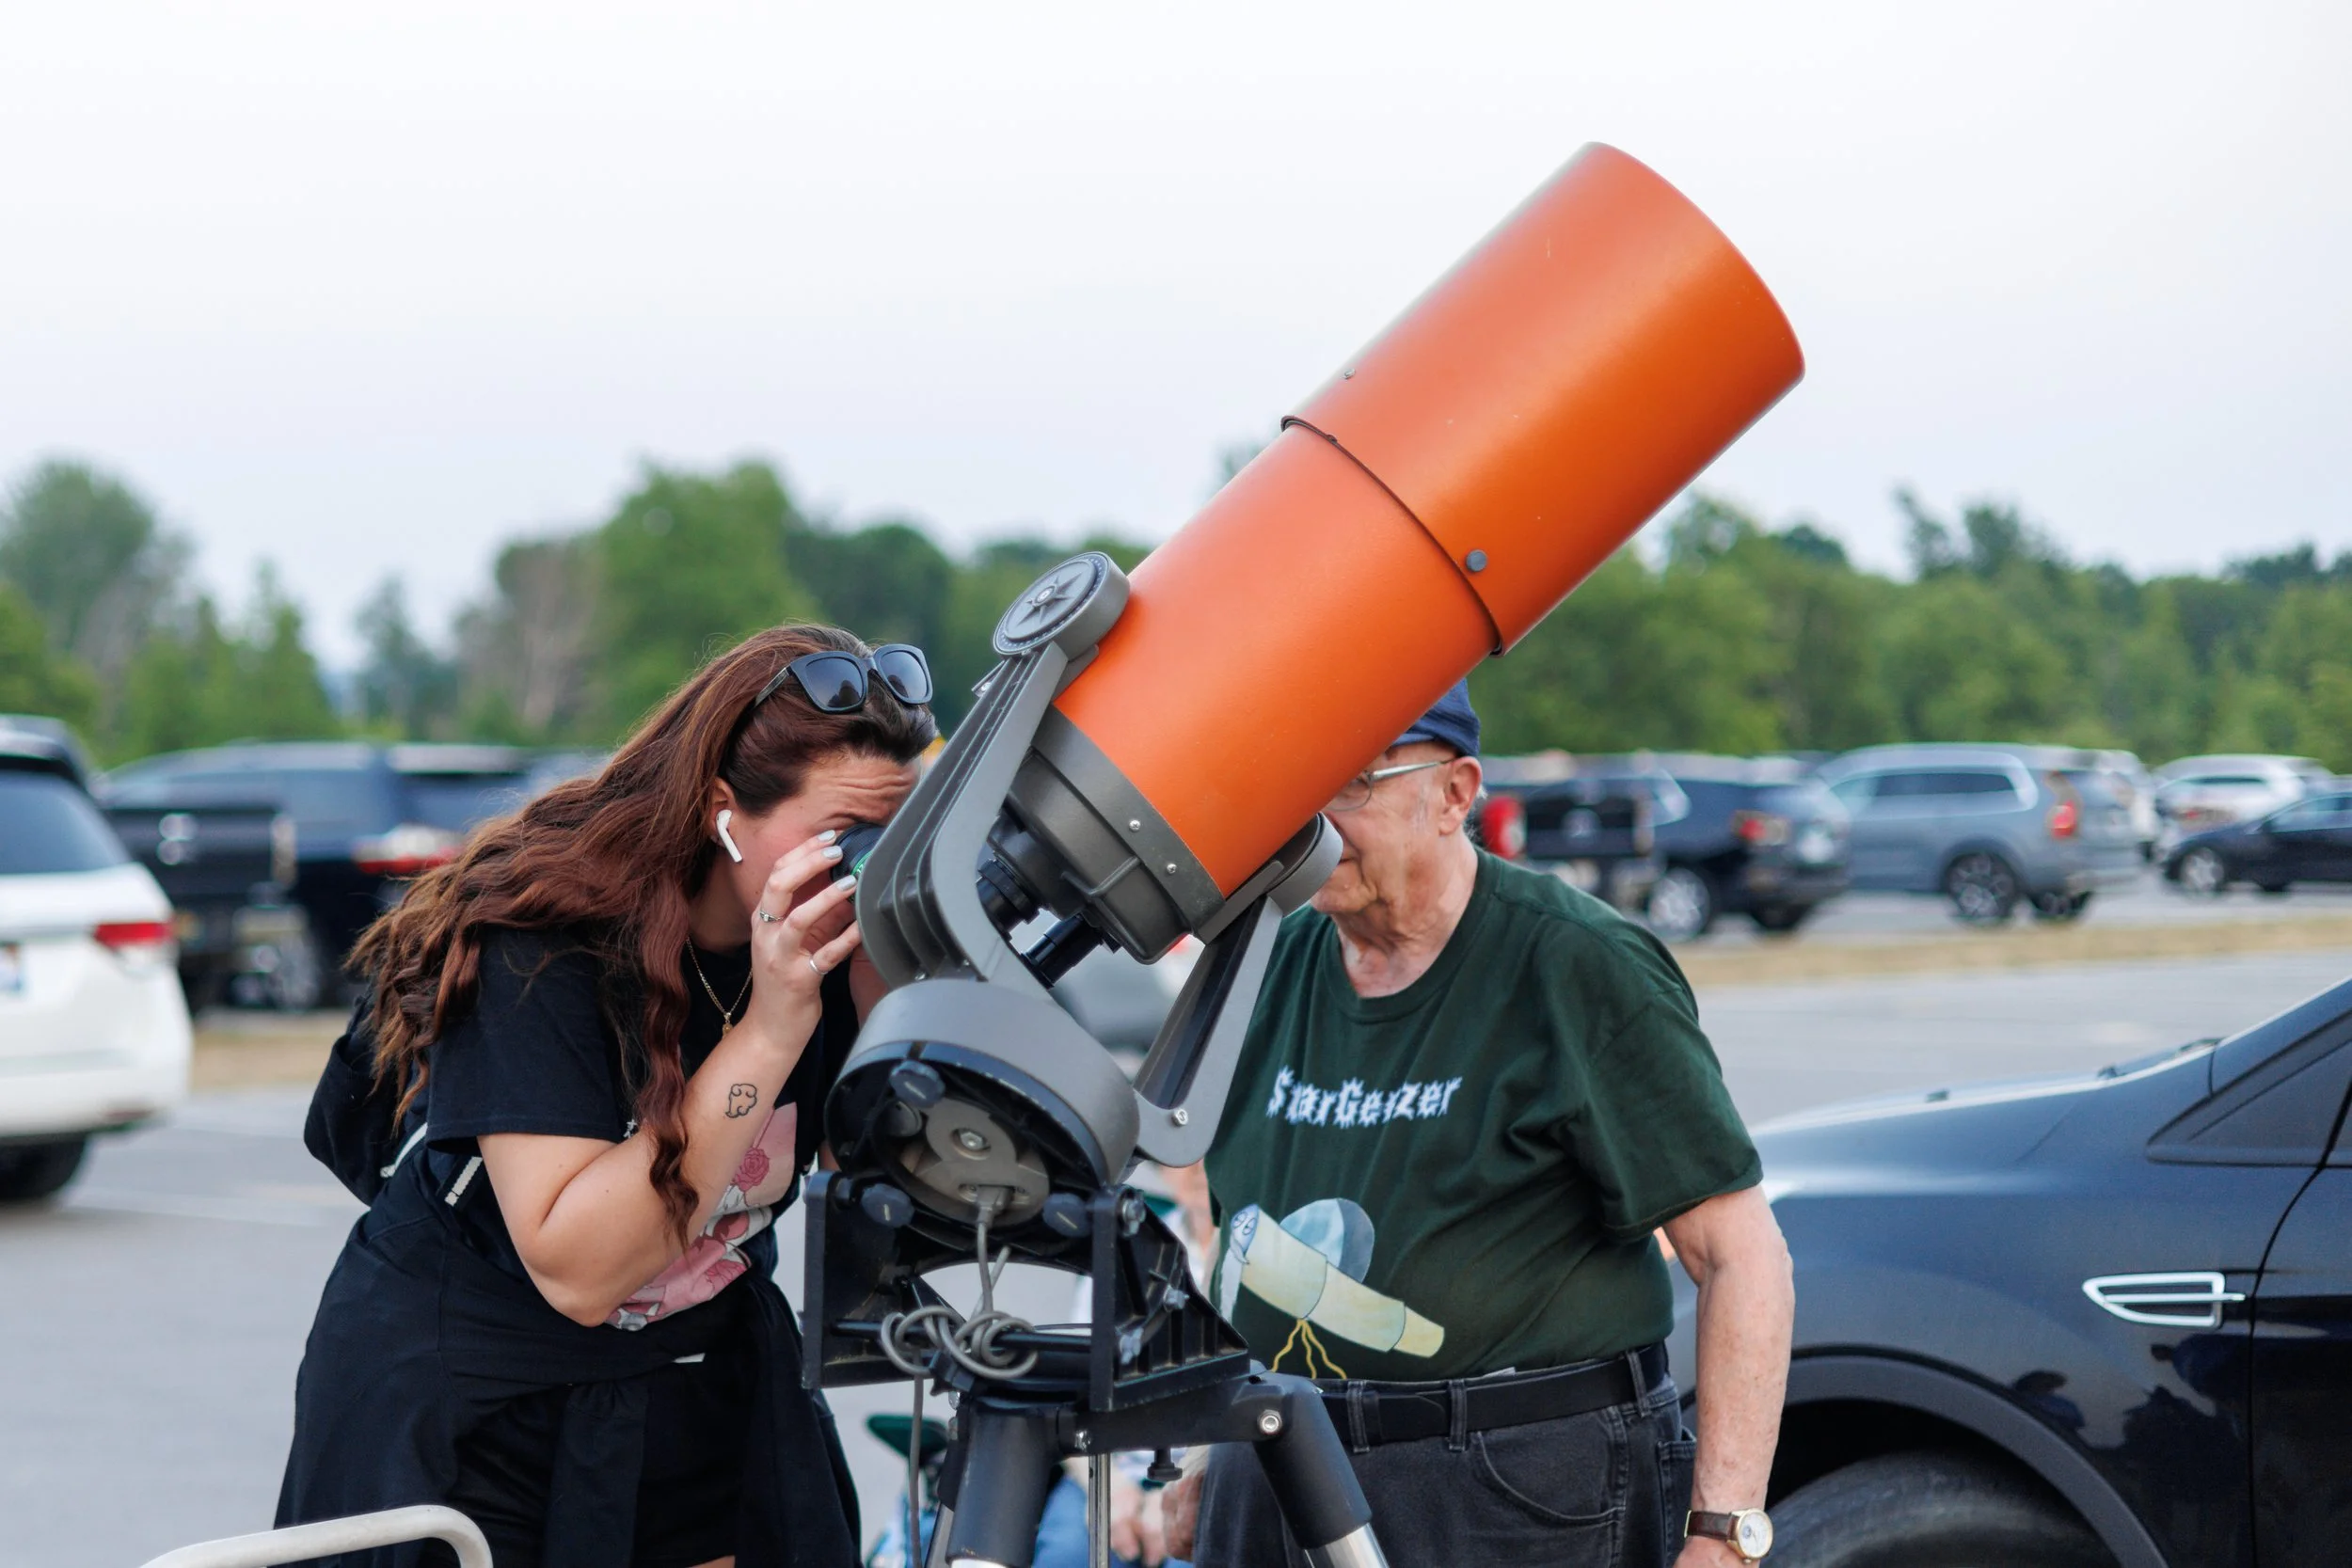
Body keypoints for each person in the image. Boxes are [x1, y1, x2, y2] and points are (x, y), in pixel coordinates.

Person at [278, 625, 937, 1568]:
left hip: (698, 1368)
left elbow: (893, 1180)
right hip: (481, 1404)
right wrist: (769, 1028)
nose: (870, 862)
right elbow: (579, 1271)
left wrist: (897, 967)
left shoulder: (835, 937)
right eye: (846, 835)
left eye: (898, 830)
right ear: (723, 810)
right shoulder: (543, 938)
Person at [1166, 682, 1794, 1568]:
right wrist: (1204, 1443)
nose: (1311, 822)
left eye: (1351, 785)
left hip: (1515, 1488)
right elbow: (1230, 1235)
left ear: (1455, 793)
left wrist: (1726, 1534)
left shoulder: (1575, 964)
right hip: (1269, 1464)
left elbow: (1742, 1255)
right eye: (1294, 786)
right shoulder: (1262, 962)